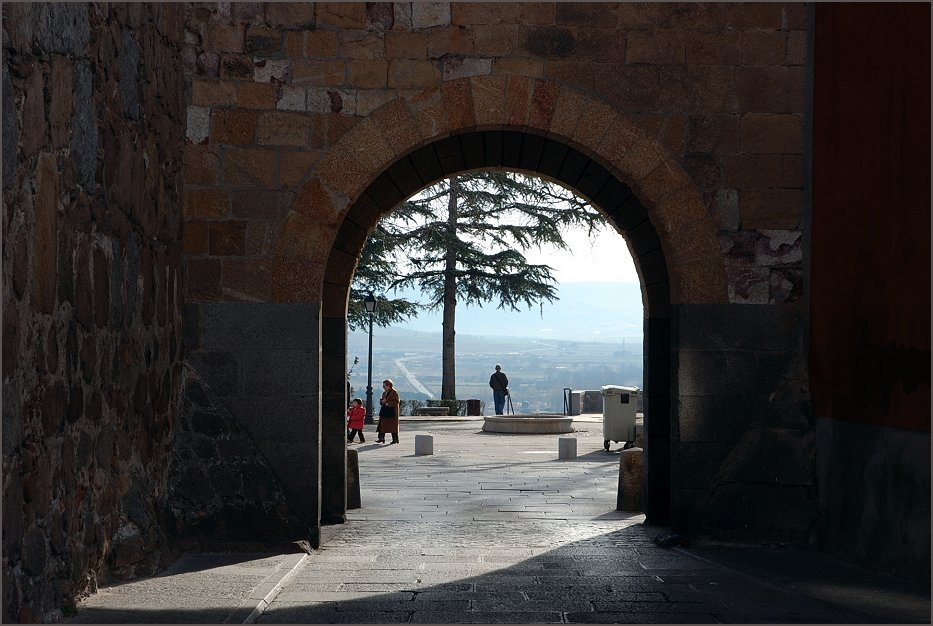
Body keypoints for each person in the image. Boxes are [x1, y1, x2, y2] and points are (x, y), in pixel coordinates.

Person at [376, 379, 400, 444]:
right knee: (382, 425)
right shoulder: (384, 393)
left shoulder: (394, 392)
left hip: (392, 412)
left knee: (393, 427)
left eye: (384, 386)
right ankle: (381, 438)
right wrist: (382, 401)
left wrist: (388, 403)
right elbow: (382, 400)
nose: (383, 388)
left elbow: (396, 401)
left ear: (389, 385)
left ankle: (395, 439)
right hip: (385, 411)